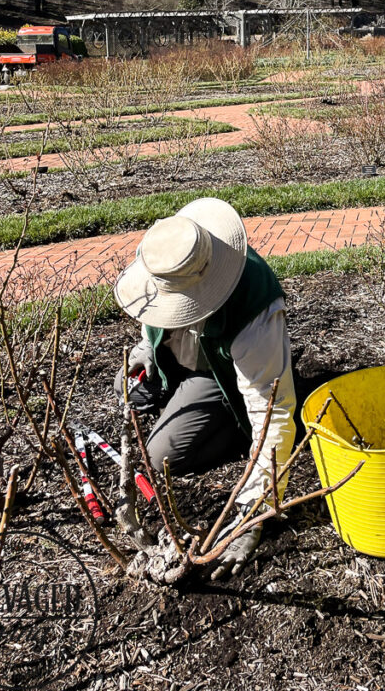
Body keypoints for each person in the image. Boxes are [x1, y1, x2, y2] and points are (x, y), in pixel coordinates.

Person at [113, 196, 296, 578]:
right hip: (185, 361)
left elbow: (272, 409)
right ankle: (187, 399)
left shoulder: (254, 305)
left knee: (163, 456)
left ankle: (229, 422)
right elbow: (154, 313)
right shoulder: (170, 255)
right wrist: (146, 349)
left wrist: (254, 511)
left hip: (220, 375)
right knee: (127, 388)